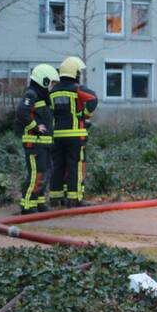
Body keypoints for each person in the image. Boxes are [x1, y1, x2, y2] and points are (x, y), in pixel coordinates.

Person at [49, 56, 98, 207]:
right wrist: (84, 114)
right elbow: (93, 98)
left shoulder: (53, 91)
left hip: (57, 135)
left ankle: (56, 198)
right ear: (75, 73)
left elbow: (51, 111)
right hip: (75, 134)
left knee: (58, 166)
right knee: (75, 166)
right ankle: (74, 199)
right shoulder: (76, 89)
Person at [15, 63, 59, 215]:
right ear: (44, 81)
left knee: (46, 172)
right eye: (52, 83)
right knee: (37, 173)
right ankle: (27, 205)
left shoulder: (43, 98)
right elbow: (22, 112)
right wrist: (35, 126)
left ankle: (39, 202)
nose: (52, 87)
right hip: (34, 144)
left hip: (44, 144)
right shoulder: (31, 94)